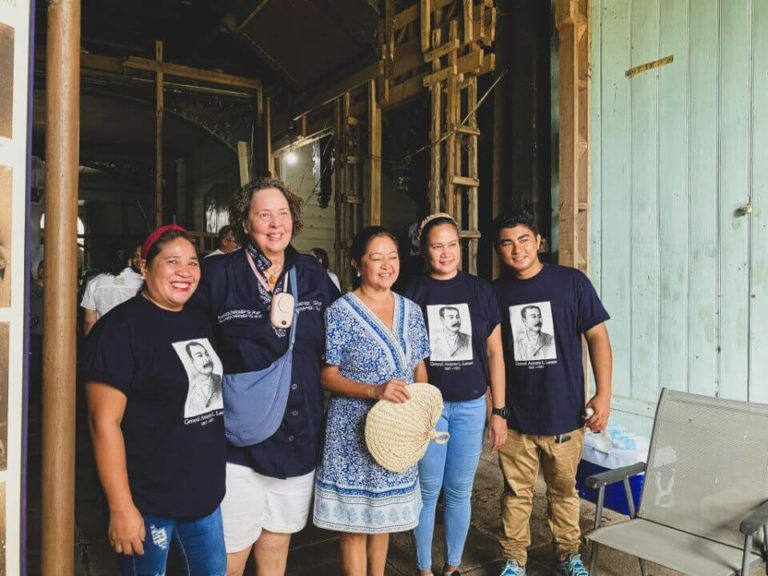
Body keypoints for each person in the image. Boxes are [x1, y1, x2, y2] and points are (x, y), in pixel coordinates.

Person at [194, 177, 338, 576]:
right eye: (263, 215)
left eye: (283, 214)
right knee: (229, 553)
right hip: (236, 441)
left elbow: (344, 335)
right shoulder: (218, 275)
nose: (275, 224)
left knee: (276, 547)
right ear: (244, 222)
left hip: (298, 434)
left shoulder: (312, 274)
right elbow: (190, 351)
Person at [83, 225, 227, 576]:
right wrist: (121, 508)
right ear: (144, 267)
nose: (185, 271)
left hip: (203, 497)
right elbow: (104, 423)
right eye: (172, 261)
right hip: (147, 502)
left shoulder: (199, 318)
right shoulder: (119, 329)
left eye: (193, 263)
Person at [493, 210, 612, 576]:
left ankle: (568, 555)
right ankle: (514, 560)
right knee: (516, 495)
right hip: (515, 418)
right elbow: (490, 353)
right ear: (499, 249)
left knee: (563, 493)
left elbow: (597, 336)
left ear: (539, 241)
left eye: (524, 240)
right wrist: (494, 409)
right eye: (507, 243)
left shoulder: (571, 283)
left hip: (565, 412)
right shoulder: (494, 292)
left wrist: (603, 394)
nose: (517, 249)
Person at [313, 226, 430, 576]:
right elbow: (326, 376)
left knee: (384, 521)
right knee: (355, 525)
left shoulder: (411, 309)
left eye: (392, 257)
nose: (386, 265)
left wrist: (420, 414)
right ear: (356, 264)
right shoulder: (341, 311)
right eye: (375, 258)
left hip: (396, 432)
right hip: (351, 430)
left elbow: (419, 367)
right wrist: (373, 391)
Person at [405, 213, 508, 576]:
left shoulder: (481, 290)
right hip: (429, 410)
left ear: (460, 247)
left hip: (471, 405)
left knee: (460, 491)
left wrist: (499, 410)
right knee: (427, 490)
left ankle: (452, 566)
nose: (445, 253)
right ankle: (422, 568)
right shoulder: (412, 292)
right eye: (437, 246)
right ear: (424, 250)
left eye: (452, 245)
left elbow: (495, 352)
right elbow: (409, 353)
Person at [81, 243, 143, 335]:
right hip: (135, 339)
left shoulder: (94, 283)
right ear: (129, 261)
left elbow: (89, 322)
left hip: (104, 339)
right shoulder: (142, 282)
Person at [183, 340, 224, 417]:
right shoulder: (191, 386)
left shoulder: (219, 379)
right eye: (200, 356)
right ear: (192, 361)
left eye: (207, 354)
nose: (206, 359)